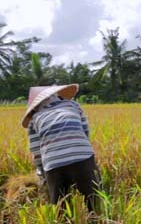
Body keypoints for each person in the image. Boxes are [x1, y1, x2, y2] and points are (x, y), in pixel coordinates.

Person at [22, 84, 100, 212]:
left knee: (59, 204)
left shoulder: (35, 118)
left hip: (53, 164)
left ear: (35, 105)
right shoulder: (73, 106)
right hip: (82, 158)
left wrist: (41, 172)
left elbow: (36, 151)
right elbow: (85, 133)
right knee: (91, 197)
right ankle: (95, 220)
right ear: (56, 96)